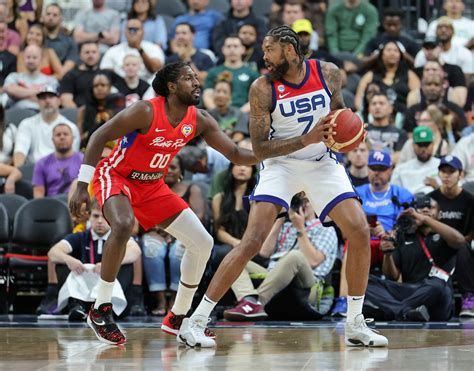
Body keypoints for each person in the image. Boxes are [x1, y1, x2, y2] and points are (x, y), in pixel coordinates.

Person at [179, 25, 388, 348]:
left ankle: (355, 323)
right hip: (281, 165)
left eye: (269, 50)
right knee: (251, 241)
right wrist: (307, 138)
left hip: (321, 162)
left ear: (289, 50)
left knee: (359, 230)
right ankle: (196, 321)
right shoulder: (262, 88)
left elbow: (340, 117)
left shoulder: (328, 73)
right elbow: (260, 149)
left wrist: (348, 135)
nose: (264, 57)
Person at [69, 61, 257, 345]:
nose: (196, 82)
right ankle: (101, 308)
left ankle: (178, 317)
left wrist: (275, 151)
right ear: (171, 87)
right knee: (123, 223)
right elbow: (99, 136)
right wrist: (83, 185)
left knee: (202, 243)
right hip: (118, 175)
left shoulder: (200, 119)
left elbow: (235, 153)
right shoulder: (144, 110)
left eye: (197, 77)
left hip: (152, 185)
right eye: (188, 78)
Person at [223, 194, 338, 321]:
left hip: (307, 284)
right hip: (274, 277)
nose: (302, 205)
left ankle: (256, 303)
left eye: (306, 201)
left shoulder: (325, 228)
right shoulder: (286, 226)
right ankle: (248, 299)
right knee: (235, 259)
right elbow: (264, 252)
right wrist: (280, 219)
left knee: (295, 256)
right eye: (298, 202)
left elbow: (313, 261)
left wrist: (300, 228)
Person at [365, 195, 466, 321]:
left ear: (439, 214)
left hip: (438, 295)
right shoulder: (404, 236)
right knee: (365, 280)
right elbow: (393, 276)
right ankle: (405, 312)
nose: (425, 209)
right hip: (411, 291)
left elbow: (460, 241)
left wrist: (425, 219)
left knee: (437, 283)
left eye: (430, 207)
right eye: (420, 208)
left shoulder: (444, 234)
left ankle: (395, 311)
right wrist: (388, 254)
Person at [48, 198, 142, 321]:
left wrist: (108, 264)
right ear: (89, 216)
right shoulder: (81, 236)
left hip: (111, 292)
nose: (99, 221)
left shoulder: (119, 238)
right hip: (85, 292)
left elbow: (136, 251)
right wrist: (69, 260)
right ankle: (76, 305)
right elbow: (53, 252)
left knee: (125, 264)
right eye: (96, 216)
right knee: (62, 262)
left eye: (104, 217)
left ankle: (110, 307)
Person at [428, 155, 474, 317]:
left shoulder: (469, 200)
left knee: (461, 245)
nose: (446, 175)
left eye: (451, 171)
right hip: (436, 246)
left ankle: (468, 296)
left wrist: (458, 241)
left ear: (460, 174)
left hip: (462, 248)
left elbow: (471, 233)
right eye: (443, 171)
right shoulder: (432, 198)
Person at [13, 85, 80, 167]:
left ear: (59, 101)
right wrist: (19, 171)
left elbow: (72, 158)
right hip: (33, 171)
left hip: (62, 172)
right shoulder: (26, 124)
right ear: (38, 102)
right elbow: (20, 151)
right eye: (43, 97)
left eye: (51, 97)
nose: (47, 101)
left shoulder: (70, 127)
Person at [203, 35, 259, 113]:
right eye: (228, 46)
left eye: (235, 46)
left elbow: (256, 99)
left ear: (243, 49)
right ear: (223, 49)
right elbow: (207, 96)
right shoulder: (213, 72)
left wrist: (239, 115)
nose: (232, 49)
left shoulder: (252, 74)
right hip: (217, 116)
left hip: (243, 116)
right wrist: (217, 114)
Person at [100, 18, 165, 83]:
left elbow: (155, 68)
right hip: (120, 88)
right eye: (130, 29)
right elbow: (105, 73)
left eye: (136, 29)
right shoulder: (113, 50)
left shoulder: (153, 48)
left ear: (143, 32)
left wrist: (139, 49)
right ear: (125, 32)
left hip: (147, 87)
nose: (132, 32)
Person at [32, 123, 83, 198]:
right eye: (58, 135)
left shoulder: (84, 160)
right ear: (52, 140)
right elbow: (38, 195)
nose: (62, 137)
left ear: (73, 138)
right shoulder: (41, 163)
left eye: (65, 134)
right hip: (52, 206)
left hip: (78, 204)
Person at [3, 44, 58, 110]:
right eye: (28, 57)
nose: (31, 60)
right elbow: (10, 90)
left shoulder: (50, 80)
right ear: (23, 58)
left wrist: (19, 95)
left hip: (40, 114)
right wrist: (38, 93)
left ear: (41, 59)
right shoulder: (13, 77)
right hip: (16, 114)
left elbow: (48, 100)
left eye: (34, 57)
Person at [391, 126, 441, 195]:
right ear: (413, 145)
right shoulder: (401, 170)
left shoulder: (442, 166)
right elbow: (394, 194)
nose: (423, 149)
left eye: (426, 145)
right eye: (420, 145)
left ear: (433, 144)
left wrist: (437, 187)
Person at [365, 92, 407, 163]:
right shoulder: (362, 131)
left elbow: (400, 156)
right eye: (374, 104)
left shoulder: (400, 133)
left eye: (381, 103)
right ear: (369, 109)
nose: (377, 106)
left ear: (390, 109)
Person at [42, 3, 79, 76]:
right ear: (43, 17)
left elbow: (67, 67)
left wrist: (51, 79)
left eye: (55, 15)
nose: (50, 17)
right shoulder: (36, 37)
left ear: (60, 19)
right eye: (48, 14)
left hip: (60, 79)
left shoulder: (69, 41)